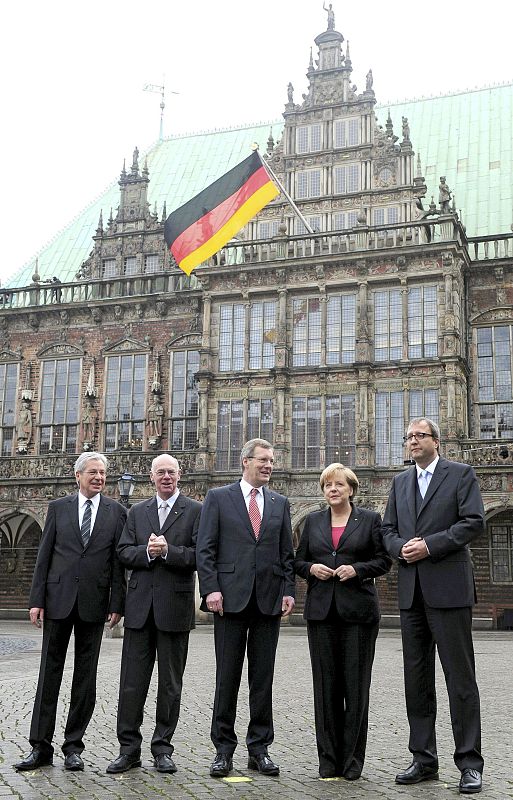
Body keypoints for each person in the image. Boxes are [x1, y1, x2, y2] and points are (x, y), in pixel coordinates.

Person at [382, 418, 485, 795]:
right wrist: (399, 549)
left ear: (436, 442)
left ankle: (470, 763)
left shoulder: (460, 474)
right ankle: (423, 758)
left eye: (419, 436)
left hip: (449, 589)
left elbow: (473, 522)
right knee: (417, 680)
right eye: (408, 436)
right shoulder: (399, 481)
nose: (412, 441)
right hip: (412, 592)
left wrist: (430, 544)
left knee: (460, 679)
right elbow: (387, 530)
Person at [14, 453, 126, 772]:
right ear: (77, 476)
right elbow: (44, 555)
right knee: (49, 674)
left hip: (94, 603)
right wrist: (36, 600)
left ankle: (73, 746)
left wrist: (117, 603)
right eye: (93, 472)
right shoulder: (58, 508)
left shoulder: (116, 512)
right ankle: (40, 746)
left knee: (85, 678)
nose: (99, 477)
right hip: (58, 599)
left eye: (103, 473)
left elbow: (118, 564)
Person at [196, 438, 295, 778]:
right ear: (245, 462)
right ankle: (223, 750)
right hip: (229, 600)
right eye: (263, 460)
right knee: (227, 677)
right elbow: (205, 549)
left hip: (267, 600)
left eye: (272, 461)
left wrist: (289, 591)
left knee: (262, 679)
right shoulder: (218, 498)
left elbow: (286, 555)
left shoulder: (280, 503)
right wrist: (210, 589)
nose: (269, 465)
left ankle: (260, 748)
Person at [294, 463, 391, 780]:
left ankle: (352, 760)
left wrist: (358, 570)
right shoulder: (312, 521)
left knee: (356, 687)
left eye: (338, 484)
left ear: (351, 488)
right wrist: (311, 569)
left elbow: (383, 560)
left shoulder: (370, 520)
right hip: (322, 611)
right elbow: (298, 559)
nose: (332, 490)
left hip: (359, 613)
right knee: (326, 688)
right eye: (327, 485)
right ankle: (328, 759)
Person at [107, 453, 201, 775]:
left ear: (180, 475)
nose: (166, 477)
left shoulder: (195, 511)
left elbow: (201, 555)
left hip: (174, 608)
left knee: (170, 685)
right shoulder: (137, 512)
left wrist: (169, 551)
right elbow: (123, 551)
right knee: (131, 684)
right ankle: (128, 749)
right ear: (151, 477)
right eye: (160, 472)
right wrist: (148, 552)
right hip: (139, 609)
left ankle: (163, 748)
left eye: (171, 472)